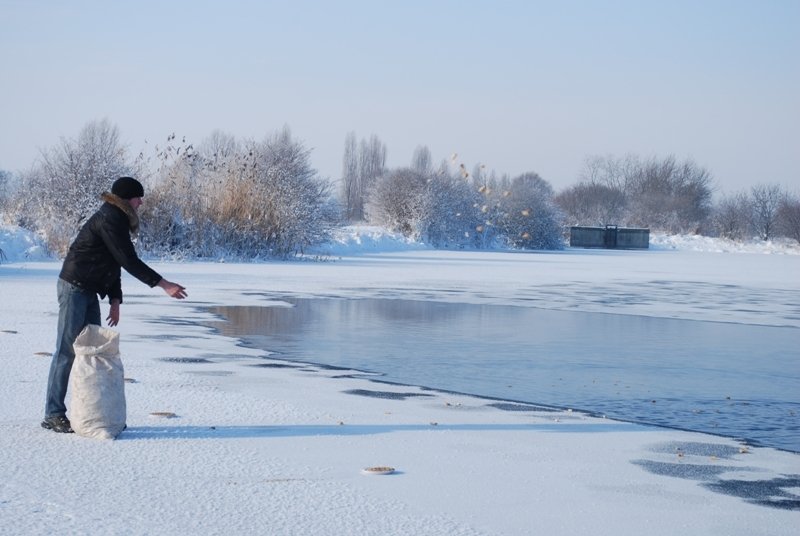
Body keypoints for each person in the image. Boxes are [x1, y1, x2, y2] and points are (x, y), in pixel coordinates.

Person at [42, 176, 187, 433]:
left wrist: (115, 300)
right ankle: (53, 414)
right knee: (66, 351)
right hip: (74, 287)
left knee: (94, 352)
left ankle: (93, 413)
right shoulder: (109, 218)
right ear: (127, 198)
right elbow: (127, 260)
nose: (141, 202)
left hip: (88, 289)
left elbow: (113, 262)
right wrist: (163, 284)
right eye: (138, 197)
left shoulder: (117, 218)